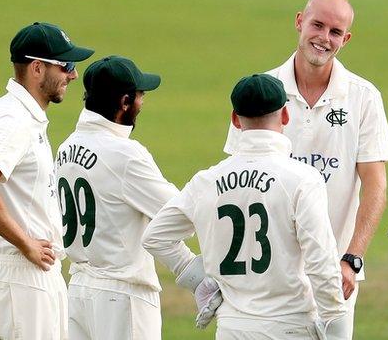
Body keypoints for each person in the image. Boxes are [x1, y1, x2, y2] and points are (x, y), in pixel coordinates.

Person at [224, 0, 388, 334]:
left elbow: (376, 187)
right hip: (267, 276)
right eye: (318, 25)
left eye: (335, 31)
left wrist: (352, 258)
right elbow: (236, 180)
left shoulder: (364, 97)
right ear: (300, 21)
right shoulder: (263, 89)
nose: (324, 38)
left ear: (346, 39)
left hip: (334, 276)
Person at [143, 74, 349, 339]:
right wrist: (337, 326)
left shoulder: (206, 181)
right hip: (290, 326)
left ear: (235, 120)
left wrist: (198, 280)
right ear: (285, 116)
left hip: (232, 328)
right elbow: (321, 261)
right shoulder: (302, 179)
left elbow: (155, 236)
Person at [54, 55, 220, 340]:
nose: (143, 103)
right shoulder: (125, 154)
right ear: (124, 103)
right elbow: (180, 215)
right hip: (122, 297)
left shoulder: (66, 147)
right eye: (140, 96)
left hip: (79, 292)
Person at [0, 22, 93, 339]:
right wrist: (25, 243)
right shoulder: (13, 120)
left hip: (34, 276)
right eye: (66, 65)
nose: (73, 75)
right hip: (22, 278)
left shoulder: (26, 117)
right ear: (37, 68)